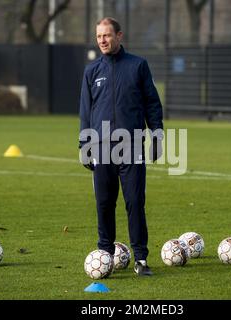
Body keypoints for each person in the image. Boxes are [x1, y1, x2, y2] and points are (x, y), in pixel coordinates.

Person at [78, 17, 163, 276]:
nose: (102, 40)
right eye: (99, 36)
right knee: (104, 203)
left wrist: (157, 134)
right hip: (102, 147)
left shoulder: (138, 66)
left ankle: (141, 259)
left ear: (119, 36)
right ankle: (105, 255)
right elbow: (85, 111)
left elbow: (152, 102)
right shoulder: (92, 71)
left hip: (132, 145)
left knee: (135, 201)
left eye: (107, 35)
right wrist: (84, 143)